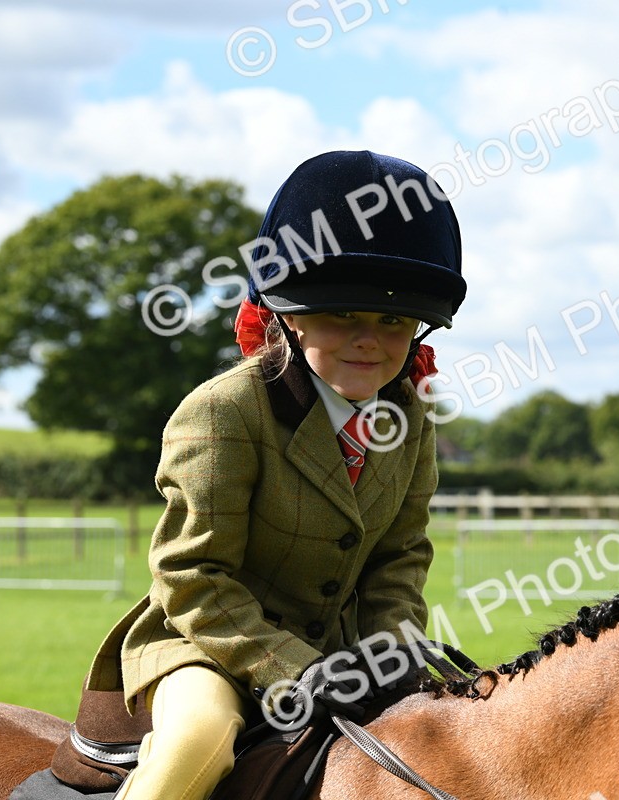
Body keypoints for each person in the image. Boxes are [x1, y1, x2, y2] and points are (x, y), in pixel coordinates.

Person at [68, 150, 466, 800]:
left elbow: (399, 560)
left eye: (393, 321)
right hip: (206, 647)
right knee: (197, 741)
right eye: (344, 314)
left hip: (340, 659)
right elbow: (191, 579)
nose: (369, 338)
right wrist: (299, 670)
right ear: (289, 314)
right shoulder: (224, 412)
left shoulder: (410, 419)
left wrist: (391, 654)